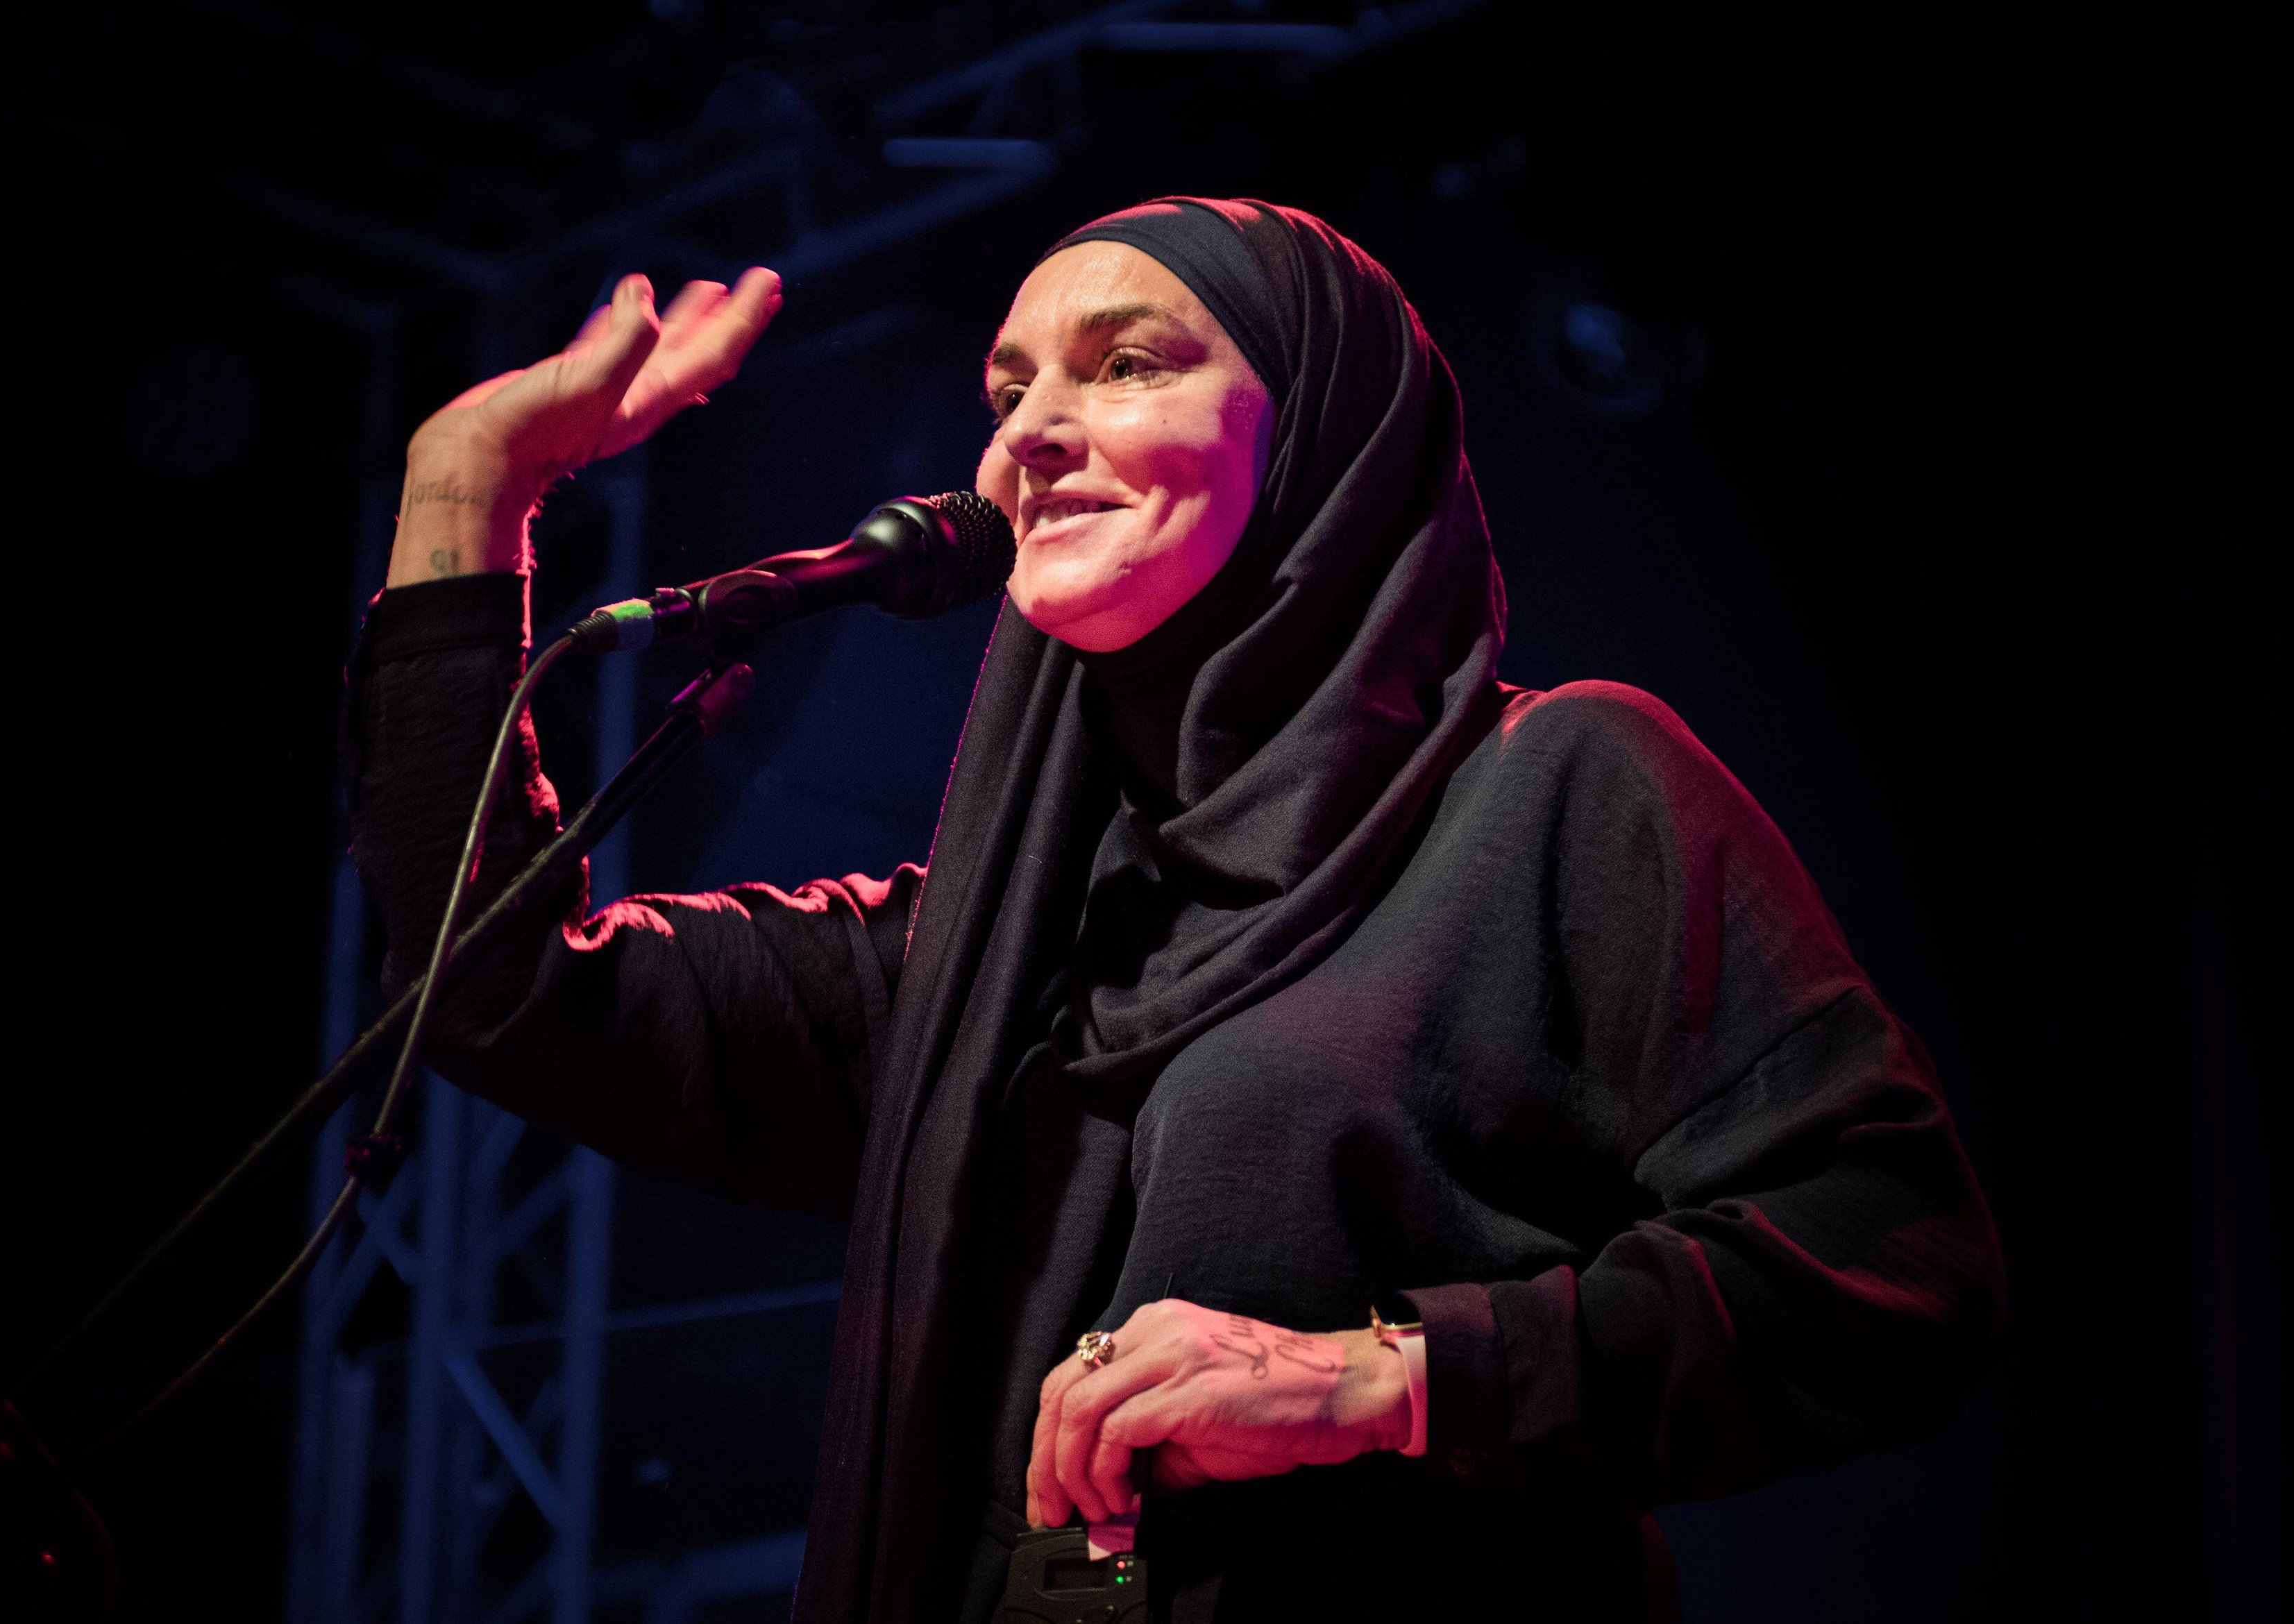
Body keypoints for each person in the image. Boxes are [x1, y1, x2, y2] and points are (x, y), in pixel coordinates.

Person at [344, 198, 2004, 1622]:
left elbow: (1888, 1257)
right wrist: (461, 489)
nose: (1023, 436)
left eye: (1125, 363)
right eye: (1005, 389)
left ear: (1319, 436)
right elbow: (494, 995)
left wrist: (1388, 1378)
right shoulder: (980, 955)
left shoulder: (1557, 791)